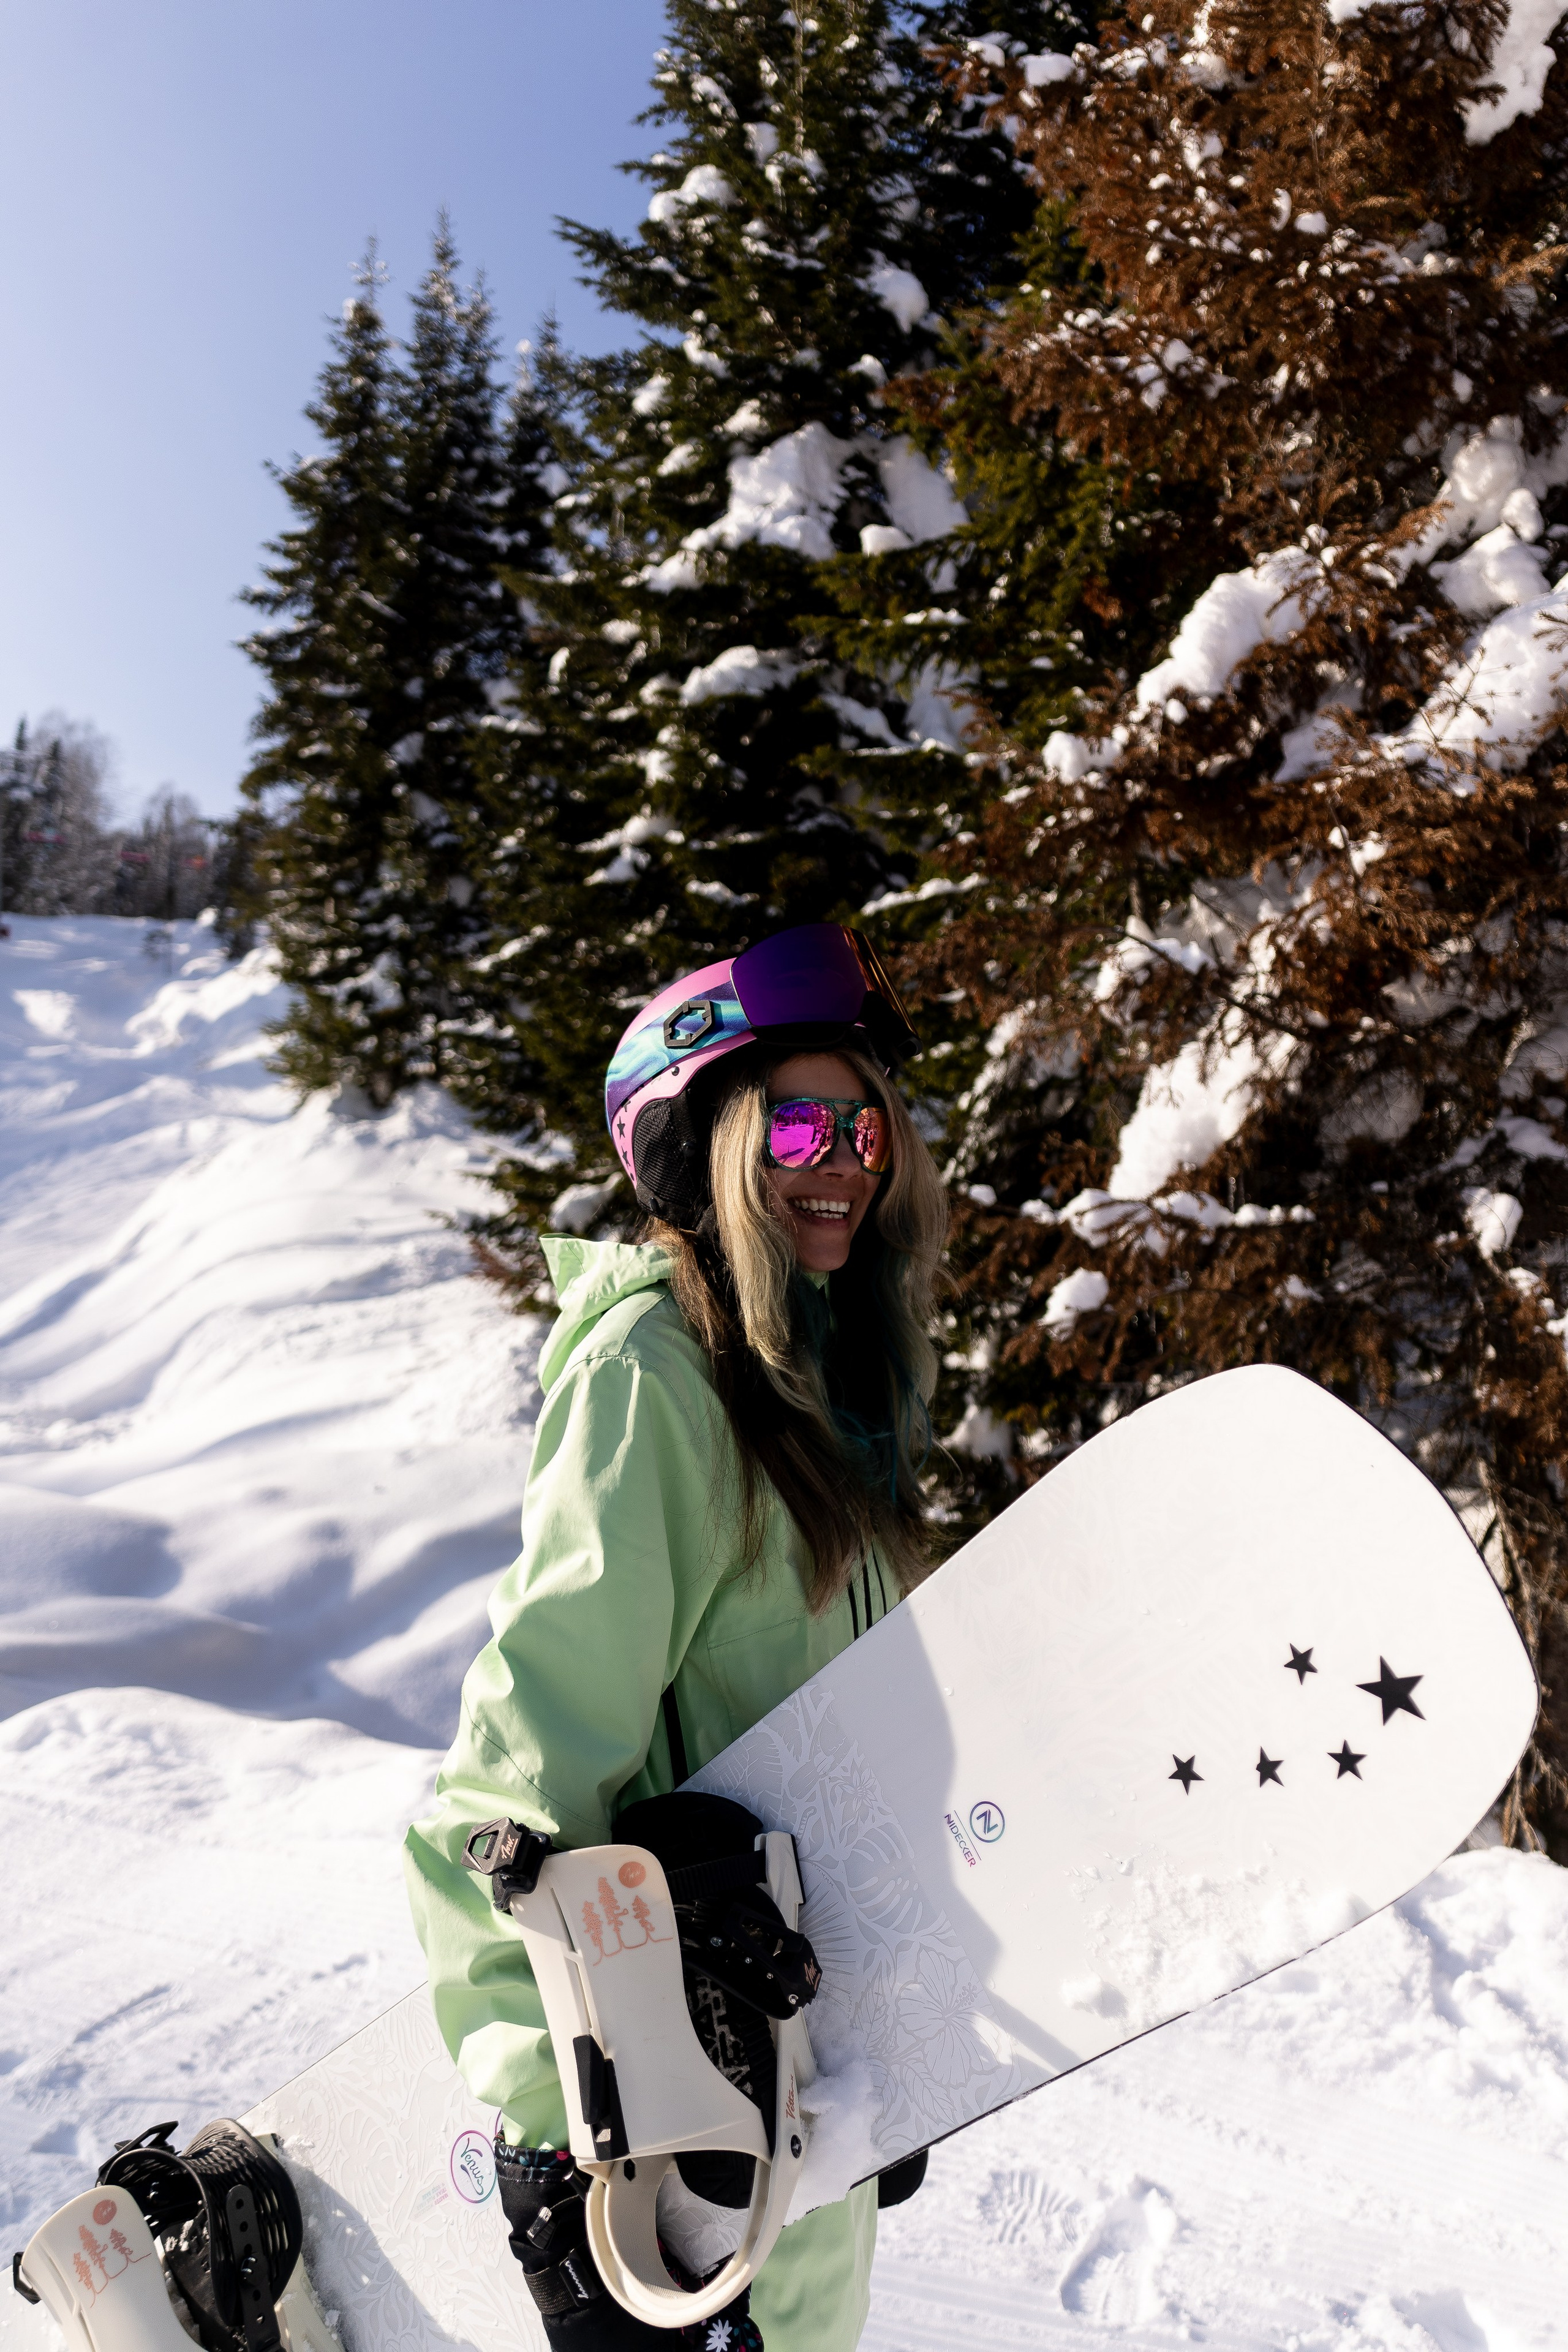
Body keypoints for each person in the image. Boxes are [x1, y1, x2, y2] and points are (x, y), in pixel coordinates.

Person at [404, 923, 949, 2352]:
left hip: (802, 2098)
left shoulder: (824, 1393)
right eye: (800, 1126)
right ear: (707, 1142)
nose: (845, 1158)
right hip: (678, 2132)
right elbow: (506, 1792)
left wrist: (893, 2032)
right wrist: (558, 2149)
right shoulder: (656, 1378)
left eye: (866, 1126)